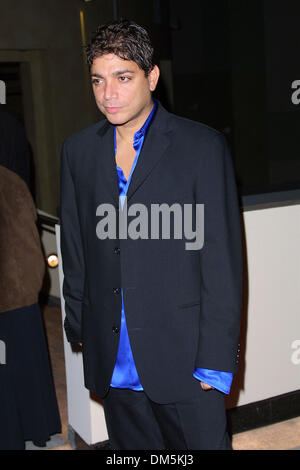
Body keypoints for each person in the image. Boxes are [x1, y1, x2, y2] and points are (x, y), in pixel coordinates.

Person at [60, 19, 243, 450]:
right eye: (98, 81)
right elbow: (76, 246)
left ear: (152, 77)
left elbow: (220, 262)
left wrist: (215, 362)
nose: (108, 94)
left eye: (123, 78)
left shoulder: (201, 147)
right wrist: (79, 328)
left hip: (185, 357)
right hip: (113, 355)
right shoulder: (79, 150)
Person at [0, 113, 61, 450]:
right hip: (21, 278)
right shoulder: (13, 132)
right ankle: (40, 429)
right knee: (25, 354)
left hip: (13, 278)